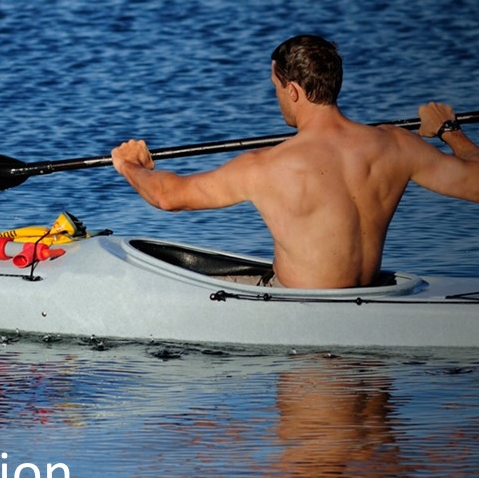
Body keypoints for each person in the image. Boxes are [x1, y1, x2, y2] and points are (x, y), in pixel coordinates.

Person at [111, 35, 479, 289]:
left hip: (302, 313)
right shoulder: (397, 144)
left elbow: (169, 197)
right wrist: (449, 130)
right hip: (371, 293)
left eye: (276, 88)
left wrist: (131, 166)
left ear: (293, 90)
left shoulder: (266, 166)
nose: (278, 97)